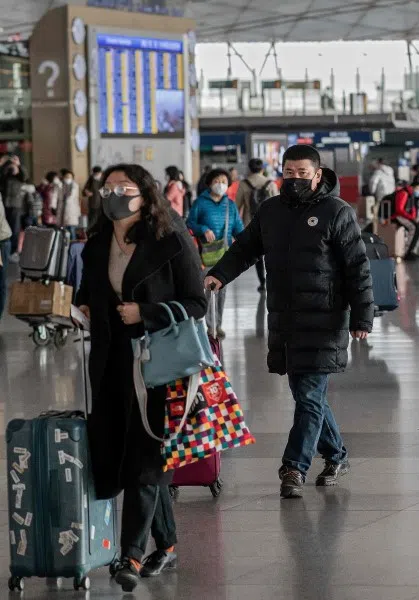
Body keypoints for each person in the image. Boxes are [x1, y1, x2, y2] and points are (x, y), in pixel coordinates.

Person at [204, 145, 374, 499]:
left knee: (310, 395)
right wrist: (219, 275)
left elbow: (357, 267)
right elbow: (245, 248)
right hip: (285, 319)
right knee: (307, 395)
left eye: (301, 173)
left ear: (317, 174)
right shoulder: (271, 210)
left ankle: (294, 467)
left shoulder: (336, 212)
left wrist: (362, 314)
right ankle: (337, 455)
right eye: (289, 172)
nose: (294, 178)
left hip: (325, 319)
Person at [75, 163, 206, 591]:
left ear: (146, 195)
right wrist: (81, 310)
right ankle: (165, 543)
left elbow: (196, 302)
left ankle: (130, 554)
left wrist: (145, 313)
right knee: (126, 453)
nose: (114, 193)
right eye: (108, 187)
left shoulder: (170, 239)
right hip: (111, 362)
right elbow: (87, 295)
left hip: (158, 364)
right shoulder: (96, 244)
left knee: (148, 456)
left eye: (124, 187)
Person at [186, 168, 244, 338]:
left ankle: (217, 324)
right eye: (217, 181)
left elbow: (238, 229)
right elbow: (190, 223)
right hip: (205, 254)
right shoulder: (201, 203)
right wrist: (203, 229)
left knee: (221, 292)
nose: (221, 185)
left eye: (224, 182)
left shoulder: (230, 205)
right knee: (209, 289)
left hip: (224, 255)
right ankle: (210, 326)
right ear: (210, 183)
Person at [234, 158, 279, 290]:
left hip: (251, 223)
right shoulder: (271, 184)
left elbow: (237, 206)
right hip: (270, 223)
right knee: (271, 252)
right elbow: (278, 206)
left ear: (249, 169)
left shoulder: (243, 184)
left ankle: (262, 282)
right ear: (262, 169)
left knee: (258, 255)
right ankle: (272, 279)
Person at [392, 179, 419, 259]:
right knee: (414, 227)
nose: (418, 191)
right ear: (413, 187)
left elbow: (412, 209)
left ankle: (410, 250)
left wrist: (413, 218)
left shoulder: (411, 195)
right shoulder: (404, 193)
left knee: (418, 227)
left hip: (403, 216)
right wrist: (411, 218)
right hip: (397, 216)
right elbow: (399, 210)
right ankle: (407, 253)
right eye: (418, 189)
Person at [55, 169, 82, 238]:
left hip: (72, 210)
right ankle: (65, 246)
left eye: (70, 177)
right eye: (66, 177)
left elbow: (75, 198)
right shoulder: (60, 185)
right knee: (63, 231)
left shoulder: (75, 186)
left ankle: (73, 245)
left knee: (71, 229)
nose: (68, 178)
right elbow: (56, 198)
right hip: (62, 210)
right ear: (63, 177)